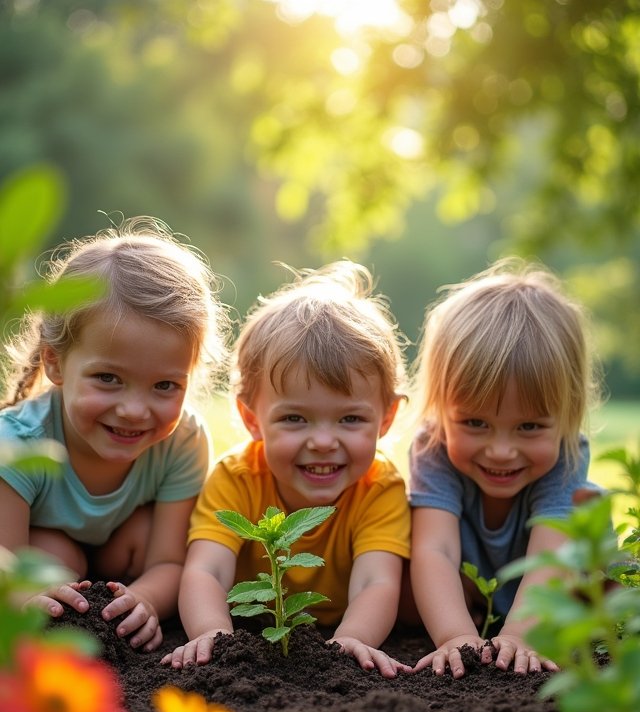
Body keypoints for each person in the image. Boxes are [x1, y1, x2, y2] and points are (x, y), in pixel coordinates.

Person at [163, 261, 412, 677]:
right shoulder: (238, 478)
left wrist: (353, 639)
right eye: (295, 419)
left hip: (337, 628)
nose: (323, 441)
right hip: (249, 629)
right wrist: (211, 634)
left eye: (350, 419)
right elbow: (208, 568)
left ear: (385, 419)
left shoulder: (379, 487)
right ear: (251, 418)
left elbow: (376, 581)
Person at [0, 218, 228, 652]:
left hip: (125, 555)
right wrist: (25, 598)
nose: (135, 410)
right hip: (45, 553)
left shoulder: (182, 439)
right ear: (55, 363)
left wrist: (145, 599)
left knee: (144, 535)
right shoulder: (17, 443)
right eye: (108, 378)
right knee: (51, 559)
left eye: (165, 386)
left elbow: (169, 559)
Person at [408, 259, 601, 679]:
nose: (500, 451)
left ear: (569, 416)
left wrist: (519, 635)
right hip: (473, 593)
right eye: (475, 423)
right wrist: (455, 636)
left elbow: (551, 555)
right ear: (442, 409)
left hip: (554, 587)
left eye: (529, 427)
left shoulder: (566, 455)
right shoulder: (434, 447)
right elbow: (434, 550)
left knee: (603, 562)